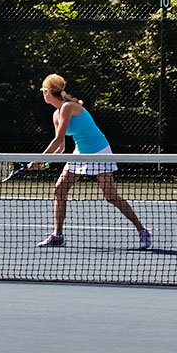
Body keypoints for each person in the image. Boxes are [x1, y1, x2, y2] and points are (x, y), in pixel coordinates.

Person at [29, 73, 151, 250]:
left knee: (110, 196)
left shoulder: (68, 107)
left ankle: (142, 231)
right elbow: (61, 146)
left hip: (99, 150)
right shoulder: (56, 115)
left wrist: (39, 158)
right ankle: (58, 236)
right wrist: (47, 163)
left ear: (48, 91)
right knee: (59, 189)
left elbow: (58, 139)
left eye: (43, 90)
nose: (42, 94)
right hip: (80, 152)